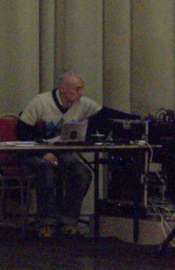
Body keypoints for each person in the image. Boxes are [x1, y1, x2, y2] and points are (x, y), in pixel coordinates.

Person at [16, 69, 137, 238]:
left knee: (82, 173)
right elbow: (21, 132)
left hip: (60, 153)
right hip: (34, 153)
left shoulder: (83, 104)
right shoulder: (41, 102)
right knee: (45, 169)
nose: (81, 93)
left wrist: (137, 118)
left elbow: (107, 113)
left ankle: (69, 220)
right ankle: (46, 223)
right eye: (77, 89)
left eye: (82, 88)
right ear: (63, 89)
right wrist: (43, 152)